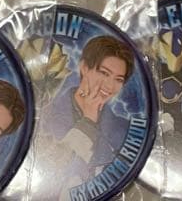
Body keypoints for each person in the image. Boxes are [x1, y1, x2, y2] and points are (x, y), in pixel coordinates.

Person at [41, 34, 134, 197]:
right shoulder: (43, 118)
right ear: (84, 67)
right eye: (104, 73)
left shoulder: (125, 130)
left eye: (118, 79)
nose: (109, 85)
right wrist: (89, 120)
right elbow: (49, 170)